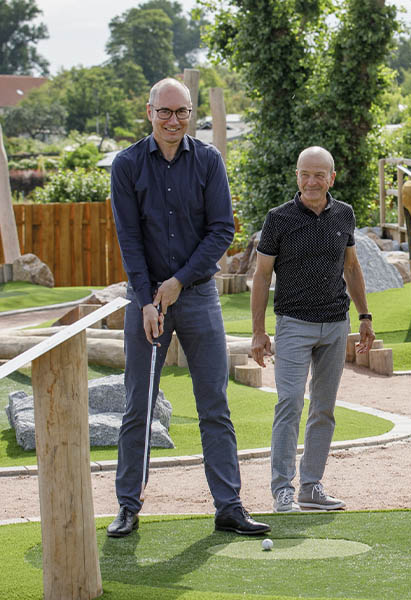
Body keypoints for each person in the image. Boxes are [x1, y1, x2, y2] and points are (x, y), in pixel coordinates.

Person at [108, 78, 270, 537]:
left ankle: (229, 506)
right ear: (150, 112)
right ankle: (127, 505)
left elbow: (221, 230)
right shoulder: (127, 165)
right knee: (138, 404)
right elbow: (129, 239)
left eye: (183, 112)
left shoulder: (209, 160)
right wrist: (145, 299)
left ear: (191, 114)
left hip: (197, 295)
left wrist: (178, 282)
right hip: (145, 301)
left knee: (214, 404)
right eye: (165, 112)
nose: (174, 121)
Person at [250, 146, 375, 513]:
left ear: (331, 178)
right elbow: (261, 276)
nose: (312, 181)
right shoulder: (278, 219)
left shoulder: (344, 215)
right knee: (289, 403)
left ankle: (311, 486)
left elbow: (351, 269)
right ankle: (282, 490)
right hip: (293, 325)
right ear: (297, 176)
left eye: (320, 174)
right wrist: (258, 332)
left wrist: (365, 317)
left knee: (324, 409)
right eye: (305, 174)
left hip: (336, 324)